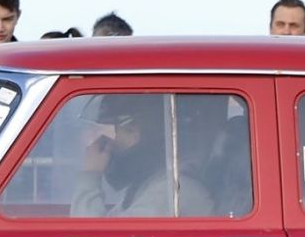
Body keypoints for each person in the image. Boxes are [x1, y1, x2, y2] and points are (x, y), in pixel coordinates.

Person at [72, 93, 214, 216]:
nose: (110, 142)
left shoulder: (173, 192)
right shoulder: (149, 184)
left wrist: (90, 175)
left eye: (123, 130)